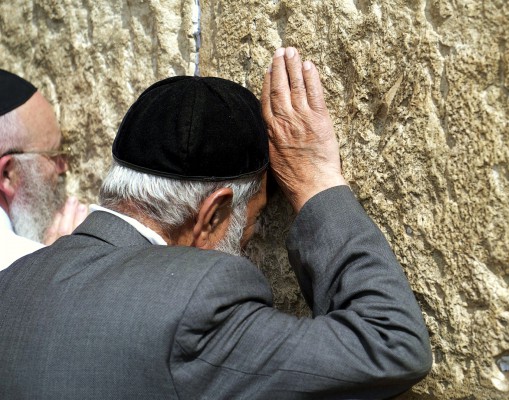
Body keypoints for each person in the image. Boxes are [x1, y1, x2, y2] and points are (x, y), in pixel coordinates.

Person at [0, 48, 431, 399]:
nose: (253, 237)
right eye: (255, 217)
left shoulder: (12, 283)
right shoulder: (196, 303)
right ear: (214, 215)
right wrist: (316, 183)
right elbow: (391, 345)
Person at [0, 69, 88, 270]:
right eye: (53, 155)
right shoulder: (16, 266)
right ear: (8, 174)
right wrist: (51, 270)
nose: (63, 167)